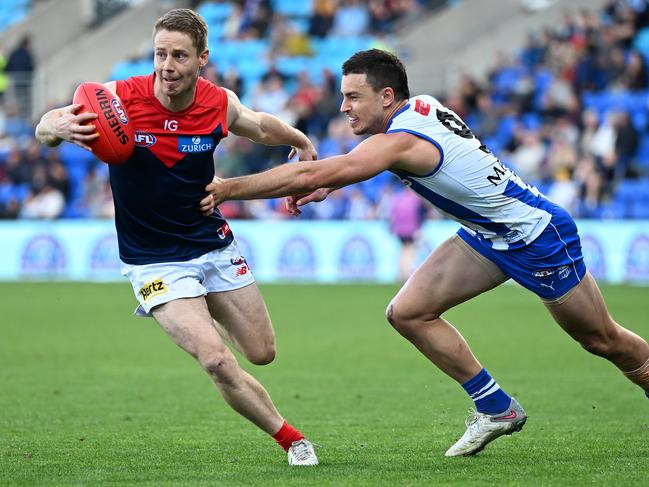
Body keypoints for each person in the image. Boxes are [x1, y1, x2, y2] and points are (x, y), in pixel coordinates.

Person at [203, 49, 649, 457]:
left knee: (600, 339)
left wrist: (229, 189)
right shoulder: (422, 107)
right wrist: (327, 184)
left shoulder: (400, 140)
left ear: (386, 97)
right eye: (343, 97)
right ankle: (496, 408)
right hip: (486, 234)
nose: (343, 107)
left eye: (354, 97)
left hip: (536, 236)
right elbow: (347, 170)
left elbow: (328, 169)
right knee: (408, 312)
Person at [34, 8, 318, 466]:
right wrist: (54, 127)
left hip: (212, 243)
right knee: (216, 360)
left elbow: (260, 124)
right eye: (160, 54)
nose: (167, 66)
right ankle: (292, 439)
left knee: (261, 353)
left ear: (202, 58)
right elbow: (47, 124)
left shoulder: (216, 102)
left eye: (179, 56)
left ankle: (203, 307)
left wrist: (300, 140)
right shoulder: (118, 101)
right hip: (153, 260)